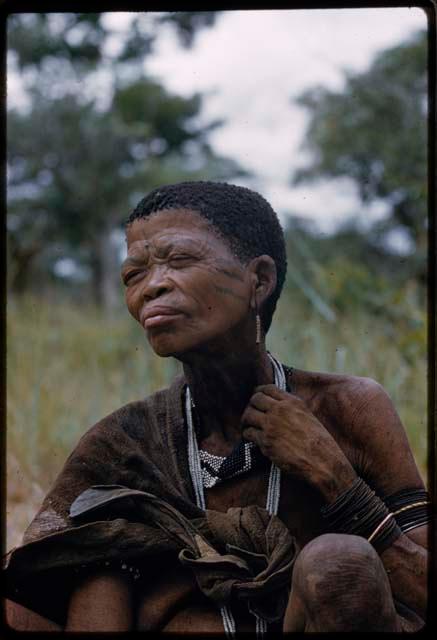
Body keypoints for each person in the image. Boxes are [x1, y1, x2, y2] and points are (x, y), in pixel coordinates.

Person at [4, 181, 430, 633]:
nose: (152, 286)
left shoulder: (348, 409)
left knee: (338, 563)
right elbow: (24, 602)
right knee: (95, 571)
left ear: (259, 280)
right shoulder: (123, 444)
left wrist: (339, 484)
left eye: (180, 260)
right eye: (134, 275)